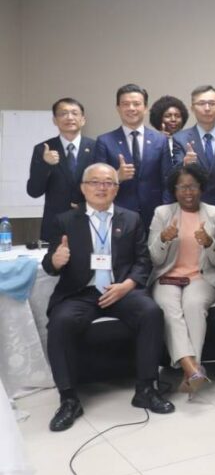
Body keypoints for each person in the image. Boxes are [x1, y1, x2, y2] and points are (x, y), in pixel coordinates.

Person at [42, 163, 173, 432]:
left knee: (151, 312)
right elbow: (49, 264)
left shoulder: (131, 218)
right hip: (81, 292)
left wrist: (127, 285)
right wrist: (55, 261)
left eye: (108, 183)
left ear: (116, 189)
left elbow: (143, 261)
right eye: (95, 182)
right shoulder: (65, 221)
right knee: (60, 322)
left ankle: (146, 389)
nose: (102, 188)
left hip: (120, 289)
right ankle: (68, 399)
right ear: (83, 188)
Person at [148, 164, 215, 397]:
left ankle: (190, 371)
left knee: (193, 305)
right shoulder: (162, 214)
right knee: (168, 308)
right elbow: (155, 258)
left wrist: (208, 242)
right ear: (174, 190)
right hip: (168, 277)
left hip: (201, 277)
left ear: (201, 188)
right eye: (182, 187)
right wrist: (163, 238)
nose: (188, 192)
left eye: (193, 187)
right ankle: (192, 369)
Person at [94, 83, 173, 229]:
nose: (131, 108)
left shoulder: (160, 140)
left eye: (136, 104)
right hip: (118, 213)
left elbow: (167, 180)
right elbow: (96, 184)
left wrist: (166, 210)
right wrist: (117, 177)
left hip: (155, 213)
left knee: (153, 252)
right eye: (125, 104)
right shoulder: (104, 141)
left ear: (145, 107)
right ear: (118, 108)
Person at [27, 98, 96, 243]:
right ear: (54, 120)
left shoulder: (96, 147)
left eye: (74, 113)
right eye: (63, 113)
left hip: (89, 222)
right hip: (54, 225)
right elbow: (34, 191)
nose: (69, 117)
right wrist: (45, 164)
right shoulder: (42, 149)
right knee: (54, 265)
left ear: (83, 119)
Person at [173, 85, 215, 210]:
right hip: (193, 207)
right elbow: (174, 177)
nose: (207, 108)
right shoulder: (180, 139)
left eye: (212, 103)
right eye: (201, 103)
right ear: (192, 108)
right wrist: (185, 164)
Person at [149, 95, 189, 167]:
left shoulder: (189, 141)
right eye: (168, 116)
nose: (173, 119)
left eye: (177, 116)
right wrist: (160, 140)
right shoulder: (151, 141)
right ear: (159, 119)